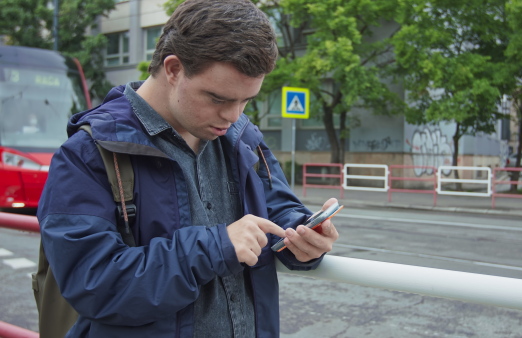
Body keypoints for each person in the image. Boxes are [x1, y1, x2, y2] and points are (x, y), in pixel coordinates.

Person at [36, 0, 339, 337]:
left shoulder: (241, 137)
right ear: (174, 69)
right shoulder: (88, 152)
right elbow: (92, 283)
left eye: (246, 100)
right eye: (218, 98)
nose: (233, 115)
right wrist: (216, 247)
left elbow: (278, 209)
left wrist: (301, 236)